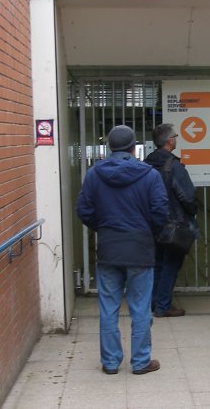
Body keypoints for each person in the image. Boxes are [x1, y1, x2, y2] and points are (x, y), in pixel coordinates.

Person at [76, 125, 169, 375]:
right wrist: (147, 232)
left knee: (108, 308)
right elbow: (161, 212)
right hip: (140, 249)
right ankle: (140, 362)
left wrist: (103, 228)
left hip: (109, 248)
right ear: (133, 146)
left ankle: (110, 362)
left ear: (109, 146)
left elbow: (84, 210)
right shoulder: (150, 175)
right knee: (140, 308)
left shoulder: (94, 174)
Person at [144, 123, 199, 318]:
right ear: (170, 141)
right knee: (171, 265)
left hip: (152, 224)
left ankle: (152, 303)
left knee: (157, 264)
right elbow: (188, 197)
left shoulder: (145, 164)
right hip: (173, 224)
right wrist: (192, 212)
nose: (176, 138)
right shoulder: (173, 166)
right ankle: (163, 306)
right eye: (175, 136)